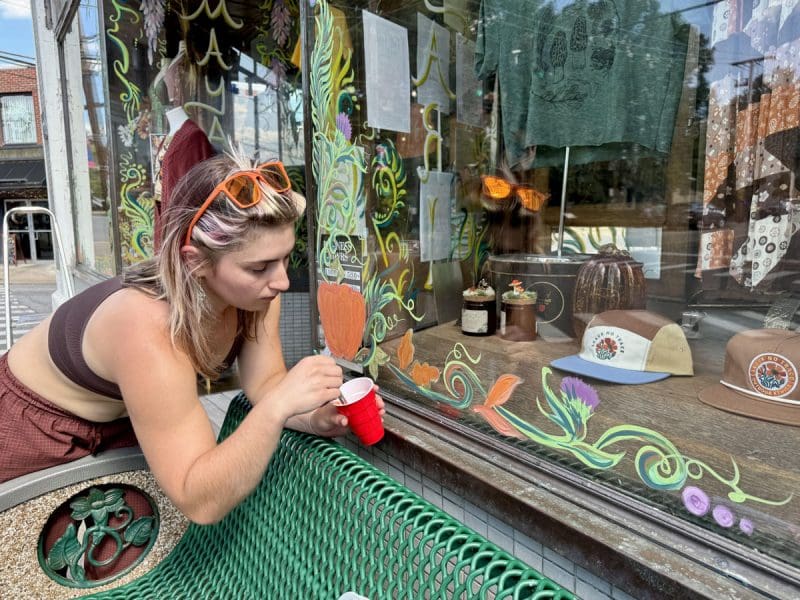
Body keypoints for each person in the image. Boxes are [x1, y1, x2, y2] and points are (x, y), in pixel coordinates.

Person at [0, 151, 384, 523]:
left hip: (117, 423)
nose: (282, 281)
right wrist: (279, 405)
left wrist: (314, 418)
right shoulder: (147, 326)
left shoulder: (257, 294)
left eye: (285, 258)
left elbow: (266, 384)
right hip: (33, 431)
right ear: (195, 260)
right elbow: (200, 501)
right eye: (259, 267)